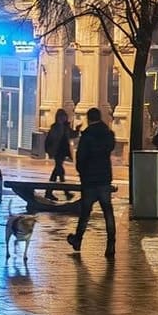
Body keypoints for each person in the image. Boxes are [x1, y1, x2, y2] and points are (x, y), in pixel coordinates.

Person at [67, 107, 118, 259]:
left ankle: (78, 239)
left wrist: (81, 171)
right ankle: (111, 244)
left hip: (89, 179)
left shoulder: (87, 135)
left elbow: (81, 157)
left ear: (89, 119)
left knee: (85, 212)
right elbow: (111, 148)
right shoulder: (108, 134)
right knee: (108, 211)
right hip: (104, 178)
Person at [45, 109, 74, 186]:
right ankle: (65, 190)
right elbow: (50, 139)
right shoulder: (55, 127)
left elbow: (72, 135)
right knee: (59, 168)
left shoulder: (66, 127)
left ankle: (49, 191)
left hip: (63, 150)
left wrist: (77, 130)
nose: (63, 118)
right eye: (61, 116)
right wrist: (49, 150)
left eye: (64, 116)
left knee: (57, 169)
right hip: (57, 150)